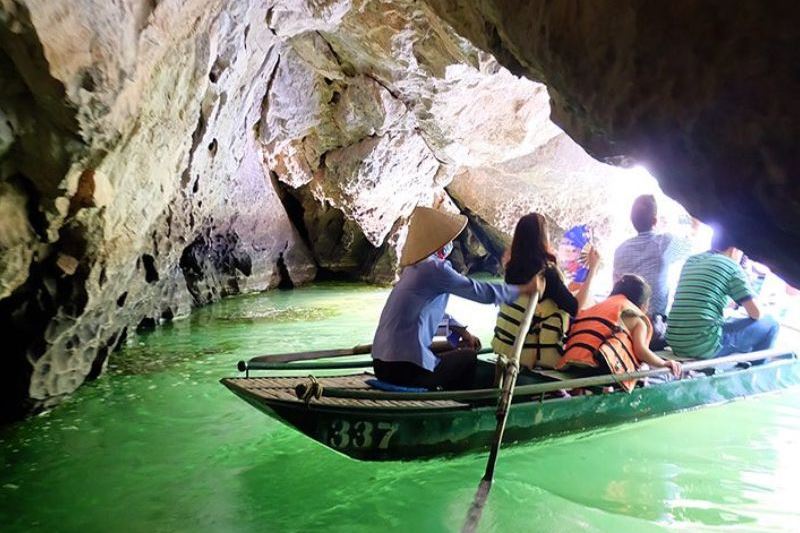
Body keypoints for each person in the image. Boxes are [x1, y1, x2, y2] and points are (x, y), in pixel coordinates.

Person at [372, 206, 545, 391]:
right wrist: (523, 290)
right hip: (402, 369)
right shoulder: (435, 270)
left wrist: (461, 331)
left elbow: (428, 314)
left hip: (381, 365)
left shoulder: (412, 270)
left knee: (455, 347)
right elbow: (479, 291)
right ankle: (459, 403)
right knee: (468, 357)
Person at [492, 213, 600, 369]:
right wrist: (593, 270)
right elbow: (575, 308)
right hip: (535, 357)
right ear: (543, 239)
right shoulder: (547, 274)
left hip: (506, 350)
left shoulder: (511, 269)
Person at [666, 226, 780, 358]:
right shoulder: (731, 266)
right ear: (735, 249)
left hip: (675, 340)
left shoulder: (692, 260)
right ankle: (755, 371)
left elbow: (705, 298)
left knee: (730, 321)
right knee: (771, 323)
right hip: (702, 345)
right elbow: (756, 313)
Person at [557, 274, 682, 391]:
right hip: (600, 366)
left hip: (571, 362)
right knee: (644, 369)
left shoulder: (597, 306)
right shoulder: (635, 318)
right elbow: (641, 351)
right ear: (643, 304)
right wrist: (663, 363)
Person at [613, 195, 694, 349]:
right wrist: (693, 227)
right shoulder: (663, 242)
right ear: (655, 221)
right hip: (653, 329)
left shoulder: (620, 250)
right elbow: (690, 247)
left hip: (624, 326)